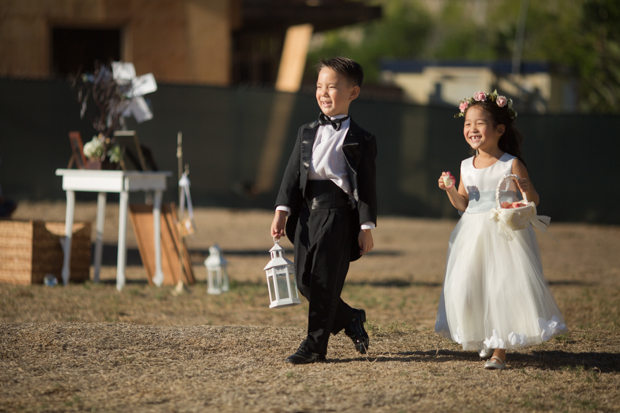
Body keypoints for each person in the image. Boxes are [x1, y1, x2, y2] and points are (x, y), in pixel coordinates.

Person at [435, 90, 567, 370]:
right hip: (471, 233)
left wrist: (530, 191)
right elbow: (463, 203)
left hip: (504, 235)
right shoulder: (465, 166)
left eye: (479, 123)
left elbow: (531, 202)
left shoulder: (511, 163)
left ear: (499, 129)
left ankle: (499, 349)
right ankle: (485, 334)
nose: (472, 129)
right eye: (467, 124)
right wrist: (449, 189)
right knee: (469, 286)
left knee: (501, 288)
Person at [270, 57, 377, 365]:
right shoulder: (306, 131)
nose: (324, 93)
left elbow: (368, 187)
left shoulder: (363, 139)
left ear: (353, 93)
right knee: (304, 281)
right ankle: (350, 317)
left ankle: (315, 347)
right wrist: (282, 211)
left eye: (332, 87)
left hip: (338, 215)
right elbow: (292, 174)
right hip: (306, 215)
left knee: (325, 283)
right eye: (319, 86)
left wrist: (366, 227)